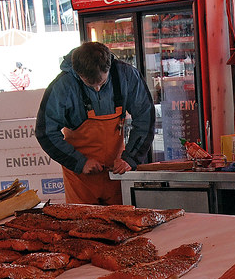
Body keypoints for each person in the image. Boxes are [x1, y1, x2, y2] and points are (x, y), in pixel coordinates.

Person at [36, 42, 155, 205]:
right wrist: (79, 162)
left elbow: (145, 117)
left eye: (102, 83)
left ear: (109, 66)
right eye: (90, 84)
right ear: (77, 73)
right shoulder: (62, 87)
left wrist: (131, 158)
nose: (98, 89)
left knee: (123, 223)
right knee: (83, 226)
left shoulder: (127, 75)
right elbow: (46, 133)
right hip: (80, 179)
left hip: (117, 171)